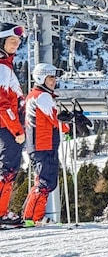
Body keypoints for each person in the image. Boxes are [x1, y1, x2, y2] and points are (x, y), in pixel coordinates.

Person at [22, 63, 71, 223]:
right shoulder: (42, 96)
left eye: (54, 77)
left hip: (39, 144)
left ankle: (35, 216)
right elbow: (54, 118)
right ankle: (30, 217)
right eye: (50, 77)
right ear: (41, 78)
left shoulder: (35, 95)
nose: (54, 81)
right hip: (43, 144)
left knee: (43, 180)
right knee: (46, 182)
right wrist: (67, 126)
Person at [0, 23, 26, 226]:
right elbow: (3, 102)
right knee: (8, 169)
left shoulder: (6, 65)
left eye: (17, 42)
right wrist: (17, 129)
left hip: (7, 125)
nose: (15, 45)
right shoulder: (2, 66)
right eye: (11, 41)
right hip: (6, 127)